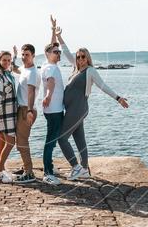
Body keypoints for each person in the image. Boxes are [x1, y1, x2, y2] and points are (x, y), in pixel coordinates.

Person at [50, 17, 129, 180]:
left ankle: (76, 167)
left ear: (88, 58)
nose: (80, 59)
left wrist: (118, 98)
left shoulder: (90, 71)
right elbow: (65, 52)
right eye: (78, 57)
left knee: (61, 138)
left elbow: (103, 86)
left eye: (83, 57)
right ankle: (84, 169)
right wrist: (57, 36)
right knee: (80, 140)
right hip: (73, 109)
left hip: (79, 109)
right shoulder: (76, 68)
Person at [11, 43, 40, 184]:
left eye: (27, 54)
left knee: (22, 141)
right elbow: (13, 68)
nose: (24, 57)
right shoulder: (24, 69)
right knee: (20, 140)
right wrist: (14, 56)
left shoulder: (33, 72)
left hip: (26, 110)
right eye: (23, 54)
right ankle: (25, 167)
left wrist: (29, 111)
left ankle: (29, 173)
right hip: (22, 109)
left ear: (33, 56)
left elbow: (31, 92)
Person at [0, 49, 18, 183]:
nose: (7, 62)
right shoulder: (0, 76)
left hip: (10, 112)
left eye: (9, 60)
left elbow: (12, 65)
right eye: (4, 60)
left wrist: (15, 55)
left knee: (2, 140)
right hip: (5, 113)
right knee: (11, 142)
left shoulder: (8, 72)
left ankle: (1, 169)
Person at [40, 39, 66, 185]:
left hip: (52, 109)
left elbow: (50, 46)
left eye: (59, 52)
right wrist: (48, 96)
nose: (58, 54)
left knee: (52, 139)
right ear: (47, 54)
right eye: (55, 52)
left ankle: (49, 167)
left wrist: (54, 31)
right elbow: (51, 82)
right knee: (50, 141)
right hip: (54, 109)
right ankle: (48, 173)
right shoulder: (51, 68)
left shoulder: (46, 65)